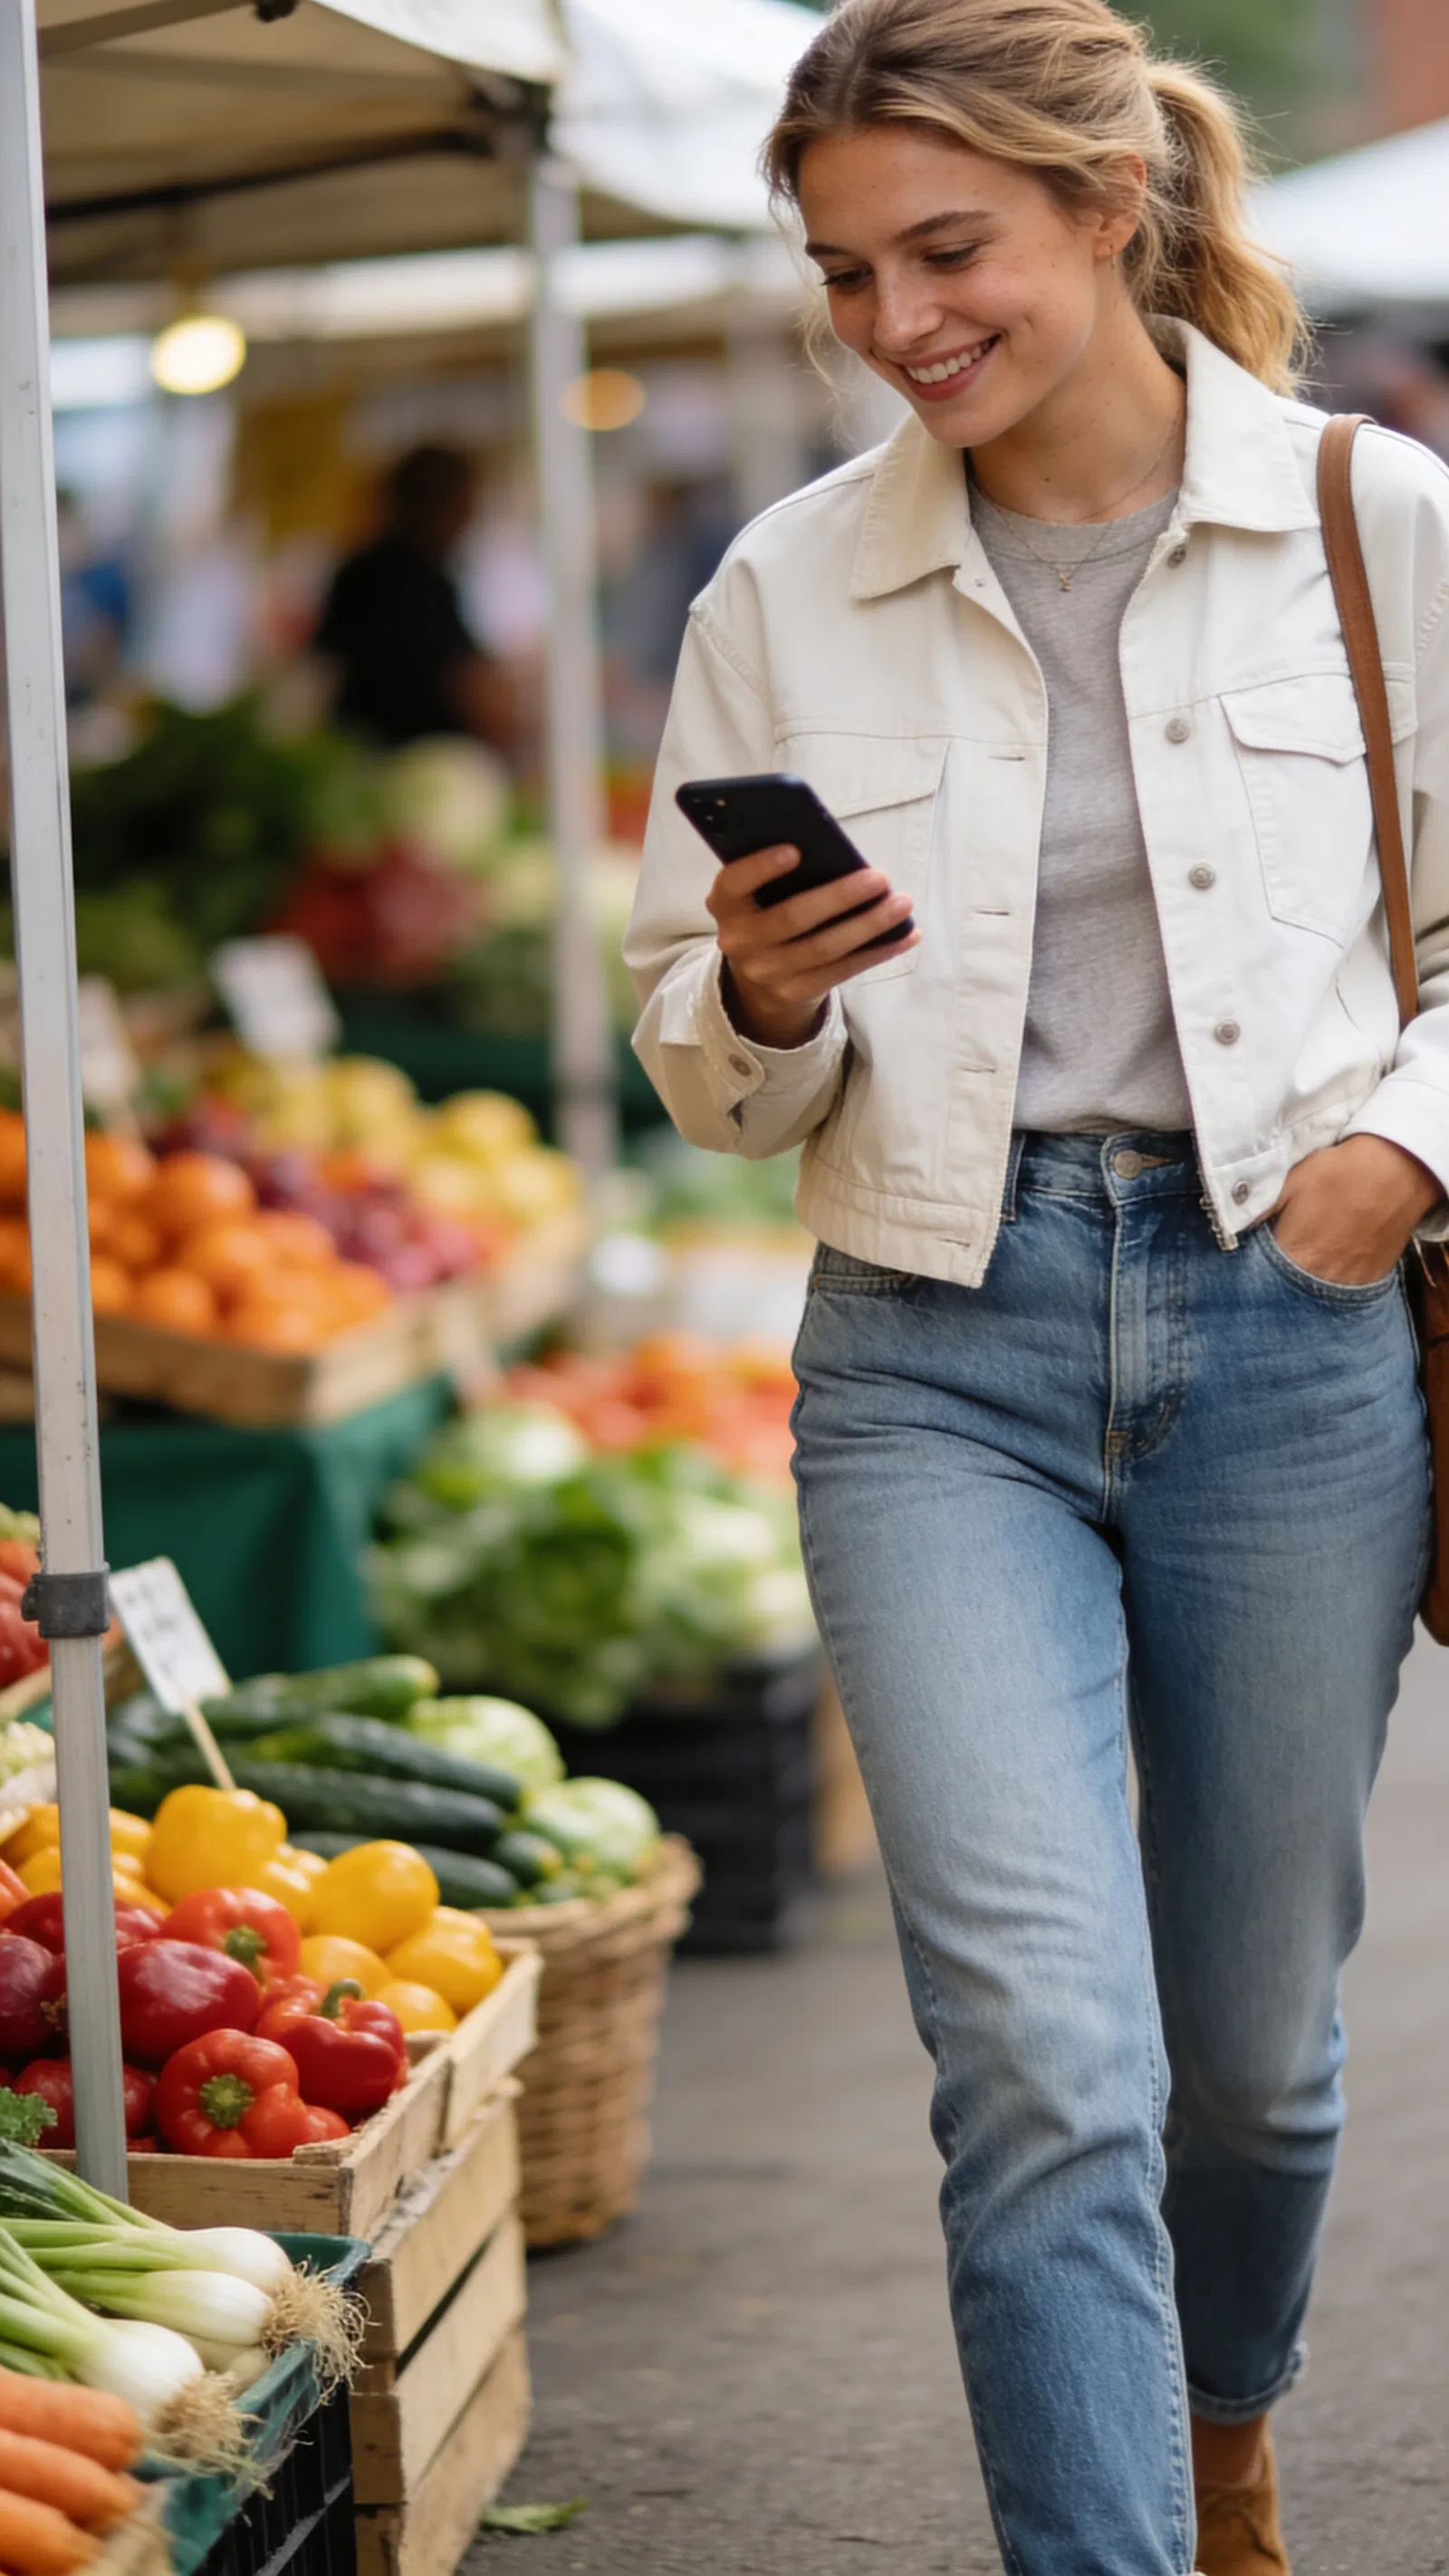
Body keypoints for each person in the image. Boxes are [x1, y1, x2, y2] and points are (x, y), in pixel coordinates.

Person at [623, 5, 1449, 2572]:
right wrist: (756, 990)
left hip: (1290, 1340)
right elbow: (697, 1044)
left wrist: (1399, 1156)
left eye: (946, 250)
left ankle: (1223, 2421)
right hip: (932, 1352)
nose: (895, 320)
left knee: (1253, 2071)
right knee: (1039, 2055)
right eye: (846, 272)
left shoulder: (1374, 517)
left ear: (1109, 207)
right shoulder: (790, 581)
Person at [313, 444, 512, 750]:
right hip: (410, 755)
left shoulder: (357, 570)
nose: (470, 517)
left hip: (358, 748)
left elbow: (324, 660)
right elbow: (465, 684)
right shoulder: (418, 580)